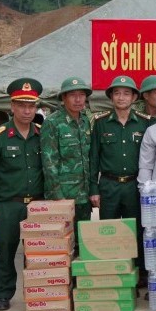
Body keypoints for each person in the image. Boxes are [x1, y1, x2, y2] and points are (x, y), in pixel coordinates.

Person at [0, 78, 45, 311]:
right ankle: (3, 294)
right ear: (12, 106)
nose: (27, 111)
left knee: (38, 252)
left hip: (37, 204)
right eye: (22, 105)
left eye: (31, 106)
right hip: (8, 205)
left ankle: (38, 292)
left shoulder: (42, 135)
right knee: (5, 252)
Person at [90, 76, 150, 219]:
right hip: (109, 187)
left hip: (134, 187)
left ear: (134, 97)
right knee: (109, 229)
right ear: (111, 97)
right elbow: (93, 158)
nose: (121, 97)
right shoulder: (100, 123)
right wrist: (93, 189)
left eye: (126, 93)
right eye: (117, 93)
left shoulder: (144, 123)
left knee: (135, 229)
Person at [41, 77, 95, 221]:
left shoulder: (85, 121)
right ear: (63, 98)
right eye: (72, 95)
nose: (78, 99)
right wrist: (57, 196)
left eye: (82, 95)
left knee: (82, 235)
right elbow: (49, 163)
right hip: (63, 196)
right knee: (64, 235)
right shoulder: (52, 122)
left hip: (84, 196)